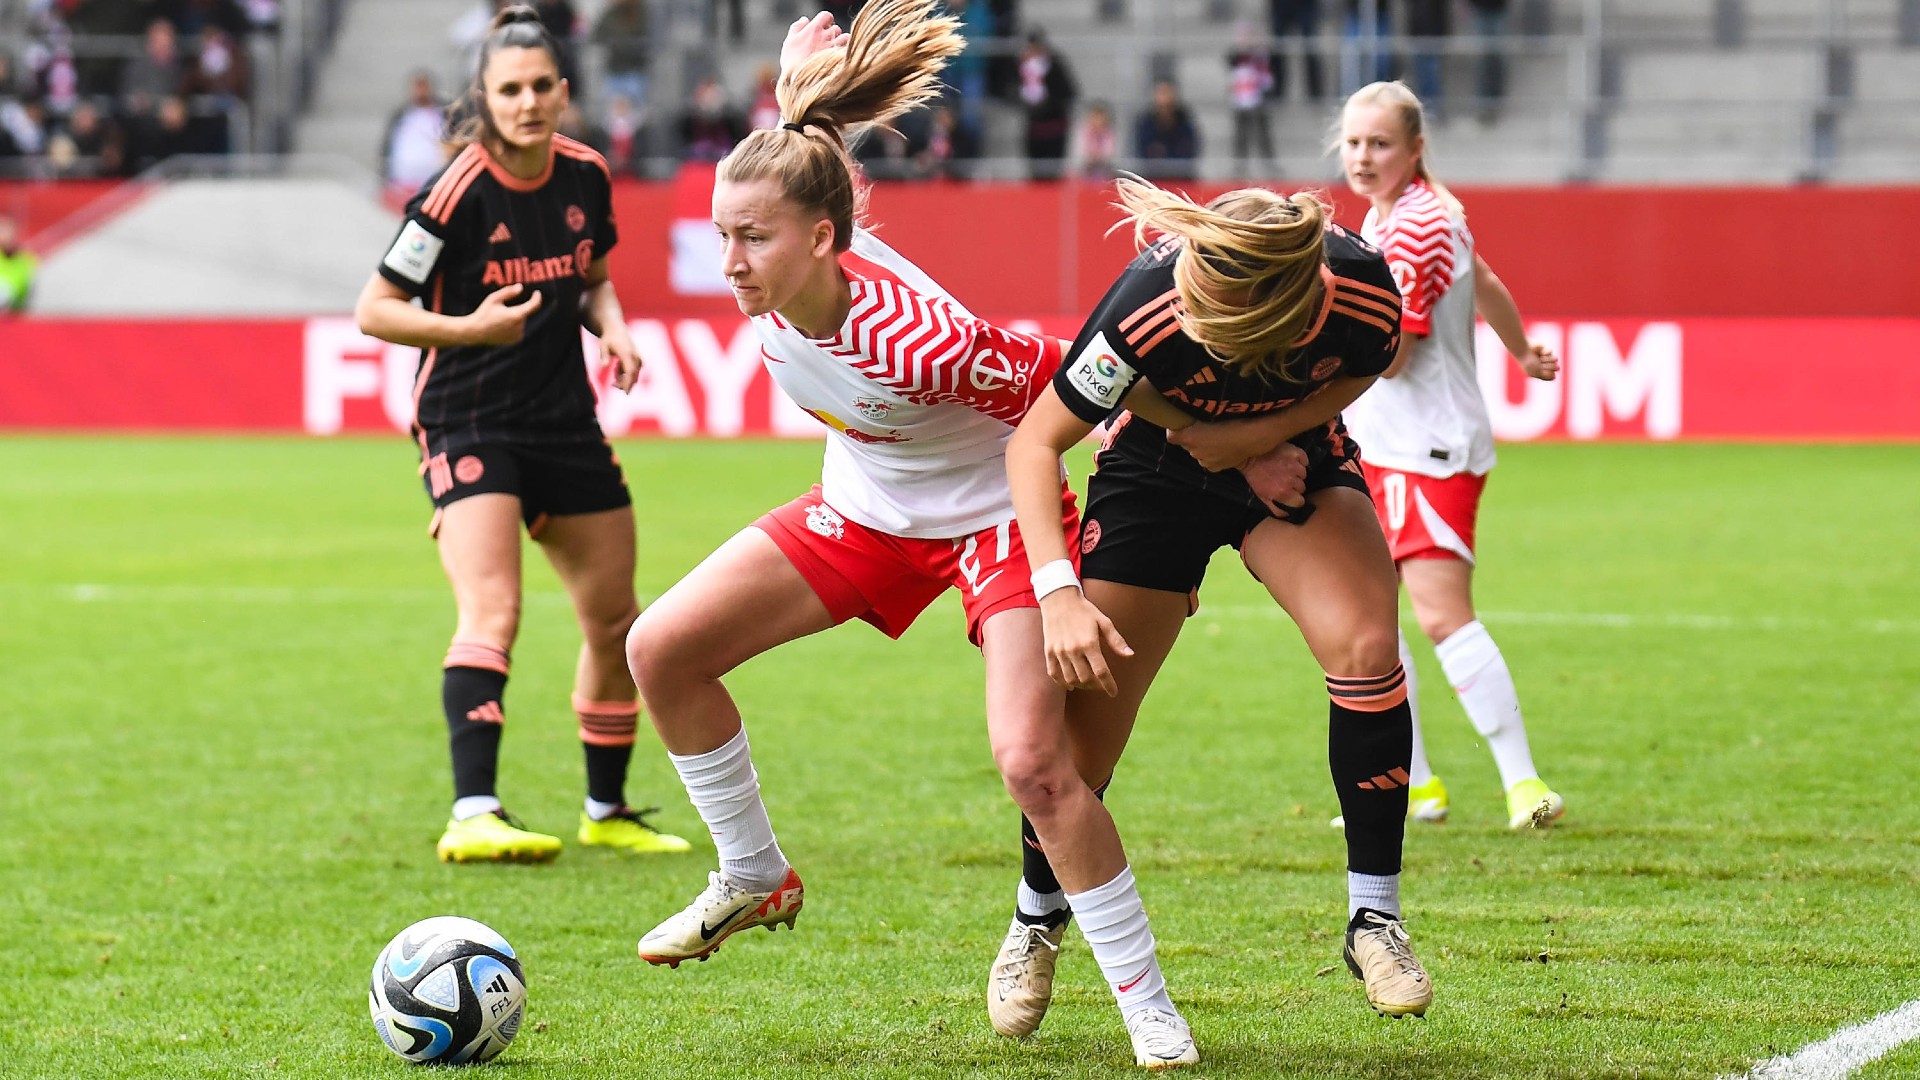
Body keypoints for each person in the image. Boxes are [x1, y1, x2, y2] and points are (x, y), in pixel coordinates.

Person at [625, 5, 1199, 1068]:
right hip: (865, 512)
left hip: (990, 521)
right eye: (722, 238)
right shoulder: (788, 240)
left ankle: (1146, 1006)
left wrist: (1221, 446)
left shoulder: (919, 340)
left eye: (751, 241)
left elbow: (1072, 389)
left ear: (821, 241)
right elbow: (809, 159)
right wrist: (804, 85)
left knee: (1036, 766)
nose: (732, 263)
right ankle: (753, 874)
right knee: (659, 649)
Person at [996, 174, 1434, 1034]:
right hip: (1155, 475)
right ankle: (1037, 917)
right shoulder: (1143, 305)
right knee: (1081, 744)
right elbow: (1034, 442)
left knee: (1367, 644)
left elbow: (1365, 369)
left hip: (1293, 462)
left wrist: (1259, 438)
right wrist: (1057, 594)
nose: (1191, 314)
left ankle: (1373, 918)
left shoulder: (1363, 293)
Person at [352, 5, 691, 865]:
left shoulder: (585, 175)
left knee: (619, 620)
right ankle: (474, 810)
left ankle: (606, 809)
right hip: (467, 417)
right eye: (510, 89)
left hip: (562, 421)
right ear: (487, 97)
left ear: (565, 92)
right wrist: (471, 328)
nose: (528, 102)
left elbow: (594, 280)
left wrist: (610, 327)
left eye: (542, 86)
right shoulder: (454, 192)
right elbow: (375, 310)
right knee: (494, 608)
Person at [1335, 80, 1564, 830]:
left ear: (1414, 150)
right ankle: (1416, 787)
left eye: (1379, 144)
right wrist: (1522, 348)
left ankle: (1522, 782)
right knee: (1372, 619)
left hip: (1425, 452)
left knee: (1440, 615)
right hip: (1390, 446)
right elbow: (1488, 279)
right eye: (1354, 143)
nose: (1363, 157)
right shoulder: (1408, 213)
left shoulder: (1415, 230)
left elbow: (1393, 357)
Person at [381, 70, 448, 194]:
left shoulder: (445, 113)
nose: (420, 91)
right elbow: (388, 145)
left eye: (424, 86)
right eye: (417, 86)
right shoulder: (401, 115)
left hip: (435, 181)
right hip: (403, 180)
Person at [0, 214, 37, 313]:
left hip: (15, 310)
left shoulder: (27, 259)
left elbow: (30, 288)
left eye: (8, 233)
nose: (5, 237)